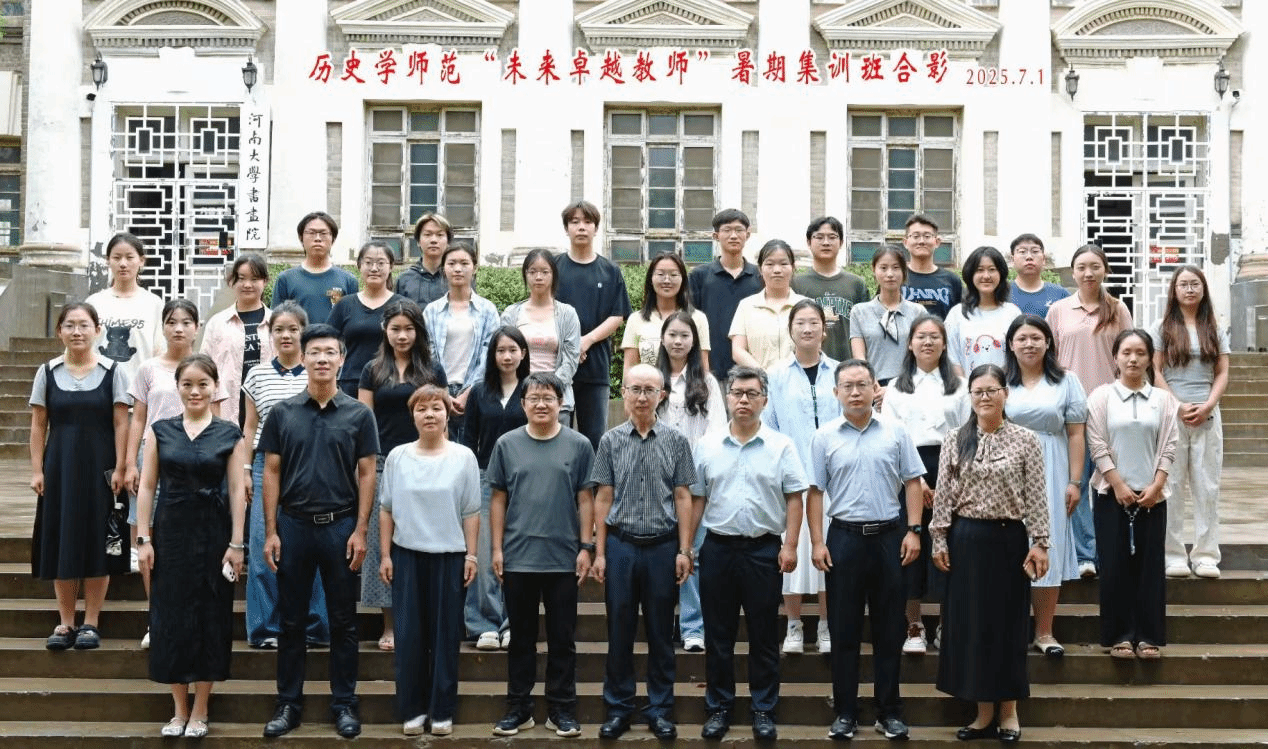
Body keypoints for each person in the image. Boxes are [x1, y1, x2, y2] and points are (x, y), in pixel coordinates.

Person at [259, 324, 378, 739]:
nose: (322, 359)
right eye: (315, 352)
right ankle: (288, 704)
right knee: (291, 622)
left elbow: (367, 473)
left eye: (330, 352)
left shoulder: (359, 414)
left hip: (340, 527)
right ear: (303, 358)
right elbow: (270, 471)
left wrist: (361, 529)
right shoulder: (283, 413)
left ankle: (344, 704)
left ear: (342, 359)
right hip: (293, 526)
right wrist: (270, 530)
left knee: (344, 622)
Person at [931, 364, 1050, 744]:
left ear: (1005, 394)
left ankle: (1009, 711)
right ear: (970, 396)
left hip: (1008, 541)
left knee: (1008, 625)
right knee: (972, 626)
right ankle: (982, 712)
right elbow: (943, 493)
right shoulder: (955, 438)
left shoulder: (1026, 440)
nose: (985, 397)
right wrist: (939, 538)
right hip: (965, 541)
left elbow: (1037, 494)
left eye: (991, 390)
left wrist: (1040, 541)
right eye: (978, 391)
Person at [808, 359, 924, 742]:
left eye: (862, 384)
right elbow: (815, 492)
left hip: (889, 538)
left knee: (889, 629)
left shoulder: (896, 431)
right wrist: (817, 541)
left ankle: (889, 711)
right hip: (843, 539)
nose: (855, 392)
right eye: (848, 386)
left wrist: (914, 531)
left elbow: (912, 481)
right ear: (836, 392)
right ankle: (845, 712)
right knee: (844, 630)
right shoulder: (824, 437)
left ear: (875, 388)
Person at [134, 354, 248, 739]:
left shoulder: (229, 433)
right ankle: (178, 709)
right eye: (187, 384)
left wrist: (237, 543)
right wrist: (143, 538)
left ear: (215, 387)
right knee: (170, 617)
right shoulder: (160, 431)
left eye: (203, 384)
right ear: (177, 388)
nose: (195, 391)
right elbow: (147, 486)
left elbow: (237, 490)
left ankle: (201, 708)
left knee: (210, 616)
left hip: (215, 533)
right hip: (171, 533)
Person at [692, 365, 807, 741]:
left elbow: (795, 497)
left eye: (751, 394)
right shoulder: (707, 445)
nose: (743, 400)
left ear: (764, 400)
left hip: (763, 550)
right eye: (737, 393)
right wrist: (686, 547)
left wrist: (790, 545)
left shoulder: (781, 445)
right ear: (727, 398)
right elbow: (697, 499)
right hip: (718, 549)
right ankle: (719, 708)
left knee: (763, 635)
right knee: (718, 636)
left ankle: (763, 709)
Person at [589, 363, 696, 741]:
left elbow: (683, 496)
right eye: (635, 389)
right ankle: (618, 708)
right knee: (619, 629)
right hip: (621, 545)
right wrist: (600, 552)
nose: (641, 397)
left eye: (650, 390)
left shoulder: (676, 441)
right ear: (624, 392)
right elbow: (603, 496)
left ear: (662, 395)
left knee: (660, 631)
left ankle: (660, 709)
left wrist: (685, 549)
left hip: (662, 546)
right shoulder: (610, 440)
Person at [488, 372, 597, 739]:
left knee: (562, 639)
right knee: (520, 638)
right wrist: (496, 548)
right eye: (533, 398)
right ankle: (518, 709)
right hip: (518, 557)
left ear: (560, 403)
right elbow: (498, 498)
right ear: (522, 404)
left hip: (563, 558)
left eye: (548, 398)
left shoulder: (579, 445)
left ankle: (561, 709)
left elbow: (586, 498)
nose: (540, 404)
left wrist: (586, 547)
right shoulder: (506, 444)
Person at [378, 384, 480, 737]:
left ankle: (441, 710)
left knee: (445, 636)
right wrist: (386, 554)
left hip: (449, 557)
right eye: (421, 409)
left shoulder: (463, 457)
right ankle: (412, 709)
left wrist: (471, 554)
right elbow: (386, 508)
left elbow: (471, 511)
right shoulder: (398, 457)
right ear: (413, 416)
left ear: (447, 413)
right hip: (407, 556)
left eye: (436, 407)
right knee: (409, 636)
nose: (430, 414)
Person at [30, 302, 131, 651]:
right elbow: (38, 425)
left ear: (97, 330)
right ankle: (65, 622)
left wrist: (121, 467)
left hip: (101, 470)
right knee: (61, 540)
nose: (77, 332)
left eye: (84, 325)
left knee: (98, 541)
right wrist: (37, 469)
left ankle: (91, 622)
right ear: (59, 331)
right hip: (59, 469)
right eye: (70, 325)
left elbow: (122, 423)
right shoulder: (46, 372)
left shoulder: (114, 371)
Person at [125, 299, 228, 637]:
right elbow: (138, 418)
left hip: (199, 466)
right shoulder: (148, 369)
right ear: (163, 327)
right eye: (171, 322)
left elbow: (220, 421)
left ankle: (193, 618)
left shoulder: (208, 368)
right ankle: (157, 618)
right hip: (155, 461)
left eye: (186, 322)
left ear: (197, 328)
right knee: (150, 542)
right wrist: (129, 462)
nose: (179, 328)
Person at [358, 299, 446, 652]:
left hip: (425, 461)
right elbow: (363, 421)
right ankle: (390, 624)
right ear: (385, 330)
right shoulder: (372, 370)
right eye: (395, 328)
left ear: (419, 331)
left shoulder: (432, 370)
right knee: (384, 544)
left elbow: (440, 418)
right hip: (382, 463)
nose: (402, 335)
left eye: (409, 329)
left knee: (422, 538)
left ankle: (424, 621)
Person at [241, 303, 329, 650]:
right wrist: (246, 470)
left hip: (310, 467)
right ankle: (265, 628)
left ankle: (314, 626)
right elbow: (249, 427)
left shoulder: (316, 372)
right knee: (263, 546)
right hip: (266, 466)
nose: (286, 335)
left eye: (293, 329)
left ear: (303, 333)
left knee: (314, 548)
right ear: (269, 334)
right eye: (279, 329)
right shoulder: (257, 375)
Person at [1086, 330, 1179, 660]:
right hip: (1111, 494)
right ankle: (1120, 636)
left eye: (1140, 352)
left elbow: (1169, 445)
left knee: (1150, 567)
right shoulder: (1101, 397)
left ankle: (1149, 635)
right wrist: (1117, 484)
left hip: (1153, 496)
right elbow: (1096, 443)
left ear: (1150, 358)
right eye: (1126, 352)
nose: (1133, 359)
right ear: (1115, 357)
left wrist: (1156, 485)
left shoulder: (1163, 400)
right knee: (1114, 566)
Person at [1046, 243, 1134, 579]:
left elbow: (1130, 354)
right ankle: (1085, 554)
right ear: (1073, 271)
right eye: (1081, 267)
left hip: (1110, 406)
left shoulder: (1118, 309)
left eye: (1095, 266)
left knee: (1112, 481)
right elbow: (1050, 358)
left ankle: (1114, 548)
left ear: (1105, 270)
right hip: (1071, 409)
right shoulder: (1059, 310)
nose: (1088, 273)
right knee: (1078, 482)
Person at [882, 314, 966, 656]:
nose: (928, 342)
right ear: (910, 343)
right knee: (909, 546)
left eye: (934, 337)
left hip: (952, 469)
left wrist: (948, 481)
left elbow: (967, 435)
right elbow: (891, 437)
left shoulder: (959, 386)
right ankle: (913, 623)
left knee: (950, 546)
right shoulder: (895, 387)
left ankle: (947, 622)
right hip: (907, 471)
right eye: (921, 336)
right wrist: (916, 481)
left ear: (944, 344)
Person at [764, 300, 840, 656]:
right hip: (791, 478)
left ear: (824, 329)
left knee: (827, 552)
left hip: (833, 479)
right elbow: (769, 426)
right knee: (791, 549)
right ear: (790, 329)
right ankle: (793, 624)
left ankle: (825, 624)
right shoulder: (776, 375)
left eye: (814, 323)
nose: (807, 329)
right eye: (800, 323)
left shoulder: (839, 371)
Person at [653, 311, 726, 653]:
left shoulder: (706, 382)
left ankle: (693, 625)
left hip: (695, 481)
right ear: (662, 339)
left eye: (685, 335)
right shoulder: (653, 379)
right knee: (661, 552)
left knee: (691, 550)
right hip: (657, 479)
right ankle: (661, 621)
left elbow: (717, 433)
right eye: (672, 334)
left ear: (694, 340)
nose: (678, 341)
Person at [1153, 266, 1230, 579]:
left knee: (1207, 486)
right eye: (1183, 284)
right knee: (1170, 486)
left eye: (1194, 284)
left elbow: (1222, 372)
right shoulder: (1161, 328)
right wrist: (1177, 405)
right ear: (1174, 290)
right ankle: (1172, 555)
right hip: (1171, 415)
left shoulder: (1213, 327)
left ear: (1203, 288)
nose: (1189, 289)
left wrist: (1208, 404)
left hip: (1208, 415)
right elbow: (1154, 371)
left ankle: (1206, 555)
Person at [462, 327, 531, 651]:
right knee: (485, 551)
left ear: (523, 353)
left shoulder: (532, 390)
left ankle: (513, 622)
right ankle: (484, 624)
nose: (507, 356)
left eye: (513, 350)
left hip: (525, 479)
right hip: (485, 477)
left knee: (517, 554)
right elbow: (468, 440)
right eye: (501, 350)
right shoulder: (479, 392)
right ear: (492, 354)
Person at [553, 200, 632, 450]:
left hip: (595, 367)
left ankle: (594, 479)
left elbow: (618, 315)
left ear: (596, 228)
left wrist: (586, 341)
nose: (581, 227)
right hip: (555, 366)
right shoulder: (553, 268)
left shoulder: (610, 270)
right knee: (556, 437)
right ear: (566, 228)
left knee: (594, 440)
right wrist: (570, 347)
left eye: (587, 222)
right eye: (575, 222)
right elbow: (543, 308)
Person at [423, 242, 500, 442]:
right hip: (438, 391)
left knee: (472, 450)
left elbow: (489, 354)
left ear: (475, 268)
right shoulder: (431, 311)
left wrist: (468, 393)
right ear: (444, 269)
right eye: (452, 263)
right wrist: (443, 393)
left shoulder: (487, 310)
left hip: (477, 391)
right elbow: (427, 354)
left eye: (464, 263)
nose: (458, 269)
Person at [501, 249, 581, 425]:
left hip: (557, 400)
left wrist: (548, 389)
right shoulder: (511, 313)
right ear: (525, 274)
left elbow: (571, 359)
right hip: (519, 397)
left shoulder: (567, 314)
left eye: (545, 272)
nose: (538, 277)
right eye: (532, 271)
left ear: (553, 275)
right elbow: (504, 355)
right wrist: (527, 390)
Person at [688, 209, 763, 382]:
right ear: (716, 236)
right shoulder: (699, 276)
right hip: (711, 371)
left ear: (748, 235)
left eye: (739, 230)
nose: (733, 236)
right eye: (727, 230)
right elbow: (691, 323)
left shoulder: (760, 277)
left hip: (753, 371)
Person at [200, 253, 271, 428]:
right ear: (232, 281)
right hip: (225, 408)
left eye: (254, 279)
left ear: (265, 281)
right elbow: (204, 367)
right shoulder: (218, 322)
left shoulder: (277, 322)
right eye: (241, 278)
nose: (247, 284)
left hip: (267, 408)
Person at [86, 232, 166, 385]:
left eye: (129, 257)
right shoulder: (94, 303)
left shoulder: (153, 304)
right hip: (99, 389)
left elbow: (160, 352)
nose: (123, 264)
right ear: (108, 261)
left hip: (140, 390)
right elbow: (83, 348)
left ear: (141, 261)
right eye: (116, 258)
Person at [328, 240, 404, 397]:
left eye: (381, 263)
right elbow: (328, 342)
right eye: (368, 263)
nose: (374, 269)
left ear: (391, 266)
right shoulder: (344, 305)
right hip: (350, 384)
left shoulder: (402, 306)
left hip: (393, 383)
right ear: (359, 266)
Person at [793, 216, 869, 362]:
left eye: (832, 237)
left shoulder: (856, 284)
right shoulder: (796, 283)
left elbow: (866, 330)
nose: (826, 242)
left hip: (848, 365)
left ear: (841, 242)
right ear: (808, 242)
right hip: (807, 365)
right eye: (819, 237)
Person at [621, 251, 711, 373]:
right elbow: (629, 370)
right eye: (660, 274)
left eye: (673, 275)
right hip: (648, 385)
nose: (667, 280)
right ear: (651, 279)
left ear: (683, 280)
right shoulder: (636, 319)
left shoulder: (698, 318)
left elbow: (703, 369)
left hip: (688, 385)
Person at [850, 246, 925, 387]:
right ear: (874, 270)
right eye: (883, 268)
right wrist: (872, 384)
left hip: (910, 386)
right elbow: (859, 357)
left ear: (904, 271)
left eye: (896, 268)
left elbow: (924, 358)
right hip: (873, 386)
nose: (890, 274)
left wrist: (895, 389)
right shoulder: (859, 312)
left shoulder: (918, 312)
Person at [944, 246, 1022, 376]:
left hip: (1005, 386)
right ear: (970, 275)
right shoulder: (956, 314)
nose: (986, 276)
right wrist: (966, 386)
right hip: (965, 386)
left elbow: (1018, 357)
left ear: (1001, 273)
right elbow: (952, 358)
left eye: (992, 269)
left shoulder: (1012, 313)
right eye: (979, 270)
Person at [730, 239, 807, 369]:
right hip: (758, 379)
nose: (777, 270)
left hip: (799, 379)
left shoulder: (806, 306)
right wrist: (763, 375)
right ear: (760, 269)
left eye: (784, 264)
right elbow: (738, 351)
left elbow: (815, 348)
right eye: (770, 264)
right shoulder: (746, 306)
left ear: (793, 268)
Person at [271, 212, 359, 325]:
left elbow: (352, 323)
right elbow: (276, 323)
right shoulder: (286, 279)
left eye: (323, 233)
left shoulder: (348, 280)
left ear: (333, 238)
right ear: (301, 238)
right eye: (311, 233)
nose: (317, 238)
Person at [900, 214, 962, 320]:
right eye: (916, 236)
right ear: (905, 242)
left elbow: (961, 318)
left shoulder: (952, 280)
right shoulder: (896, 278)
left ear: (937, 242)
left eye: (927, 236)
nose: (921, 241)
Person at [395, 212, 453, 308]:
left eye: (440, 235)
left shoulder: (457, 277)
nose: (433, 240)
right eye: (427, 234)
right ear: (418, 241)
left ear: (448, 242)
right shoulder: (404, 279)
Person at [1008, 234, 1068, 318]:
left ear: (1043, 259)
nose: (1029, 257)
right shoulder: (1001, 293)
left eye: (1035, 251)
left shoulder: (1061, 295)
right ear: (1012, 260)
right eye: (1022, 252)